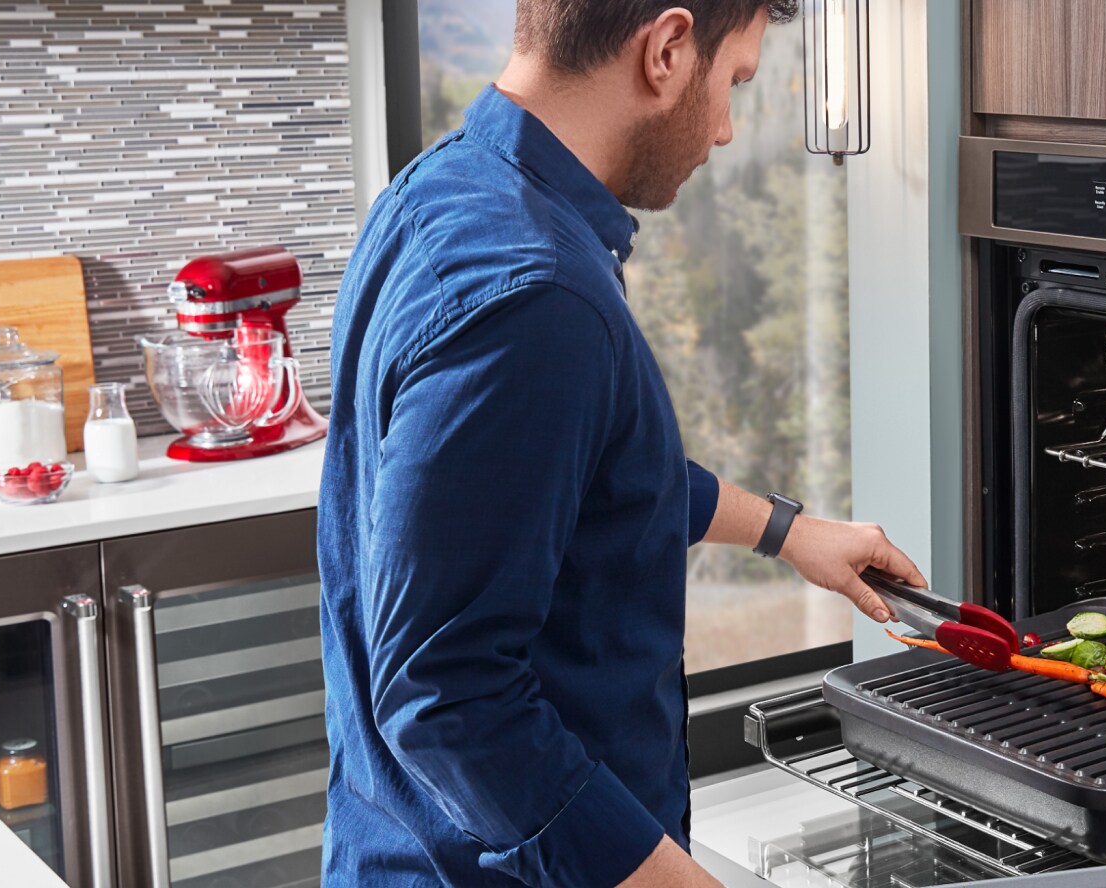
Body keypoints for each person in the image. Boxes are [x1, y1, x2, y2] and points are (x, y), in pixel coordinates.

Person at [317, 1, 925, 886]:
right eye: (735, 83)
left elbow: (573, 478)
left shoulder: (442, 190)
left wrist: (789, 533)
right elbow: (449, 698)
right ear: (668, 50)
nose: (723, 128)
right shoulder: (535, 294)